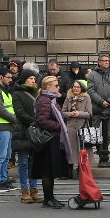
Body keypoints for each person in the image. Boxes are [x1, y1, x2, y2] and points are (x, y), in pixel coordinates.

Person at [34, 75, 73, 209]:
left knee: (50, 171)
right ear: (47, 87)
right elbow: (42, 120)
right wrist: (59, 126)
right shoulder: (44, 100)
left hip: (53, 139)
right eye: (56, 85)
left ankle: (50, 197)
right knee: (47, 171)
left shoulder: (51, 99)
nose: (59, 87)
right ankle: (48, 199)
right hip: (48, 140)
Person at [11, 71, 42, 204]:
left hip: (35, 131)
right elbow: (19, 112)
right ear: (24, 80)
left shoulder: (37, 93)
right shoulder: (17, 93)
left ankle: (34, 189)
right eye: (31, 78)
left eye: (34, 78)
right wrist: (33, 121)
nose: (33, 81)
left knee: (34, 162)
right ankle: (24, 190)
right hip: (23, 131)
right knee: (23, 161)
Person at [87, 54, 110, 168]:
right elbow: (90, 90)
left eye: (108, 61)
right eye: (105, 60)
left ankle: (104, 154)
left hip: (109, 109)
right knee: (95, 133)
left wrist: (109, 101)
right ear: (99, 62)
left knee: (107, 134)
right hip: (97, 109)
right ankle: (100, 152)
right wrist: (101, 101)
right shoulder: (92, 75)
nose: (107, 62)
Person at [0, 68, 18, 194]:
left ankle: (3, 179)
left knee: (6, 155)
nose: (11, 80)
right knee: (1, 155)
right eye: (8, 77)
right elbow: (0, 109)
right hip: (1, 125)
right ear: (1, 77)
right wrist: (15, 119)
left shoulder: (4, 91)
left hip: (8, 125)